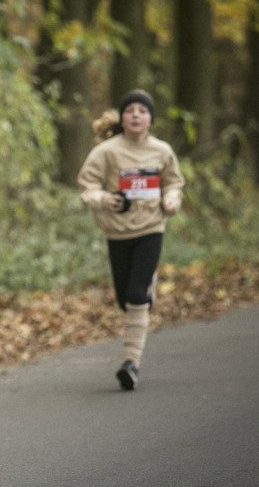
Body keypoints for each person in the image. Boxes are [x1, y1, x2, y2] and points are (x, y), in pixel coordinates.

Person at [77, 89, 185, 390]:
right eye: (130, 110)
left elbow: (173, 182)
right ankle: (143, 293)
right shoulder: (107, 152)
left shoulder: (162, 151)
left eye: (142, 110)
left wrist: (171, 200)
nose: (136, 115)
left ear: (150, 118)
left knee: (136, 294)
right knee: (125, 300)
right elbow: (87, 186)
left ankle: (130, 364)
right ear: (122, 118)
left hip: (151, 229)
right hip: (117, 231)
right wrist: (105, 199)